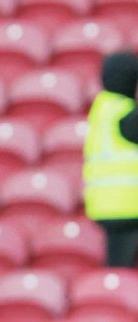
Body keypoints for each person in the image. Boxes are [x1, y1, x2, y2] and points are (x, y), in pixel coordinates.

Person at [84, 50, 138, 267]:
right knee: (123, 271)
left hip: (105, 205)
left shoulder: (102, 108)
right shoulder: (125, 114)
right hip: (128, 206)